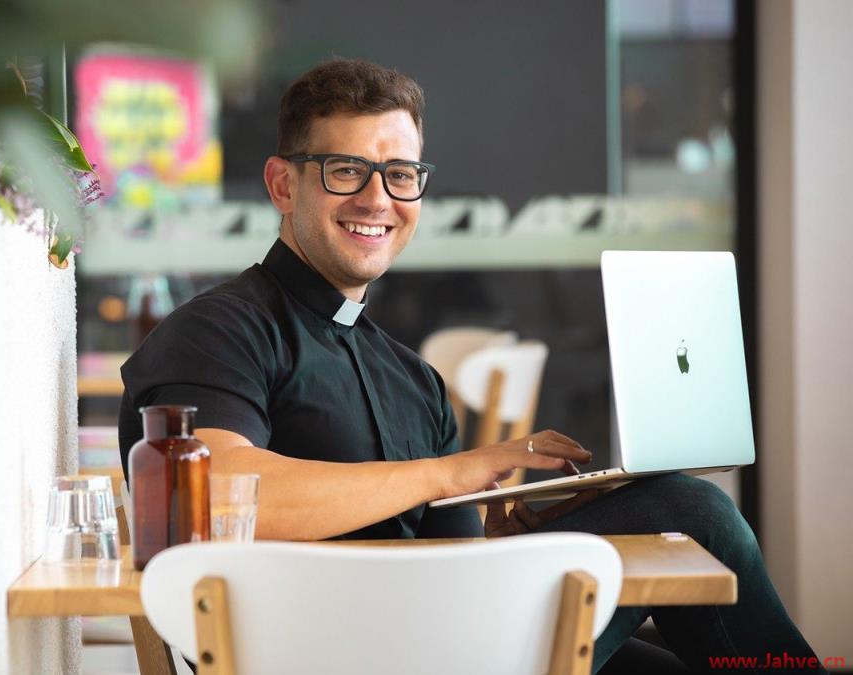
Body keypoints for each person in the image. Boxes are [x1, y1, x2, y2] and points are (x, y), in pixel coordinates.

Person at [118, 59, 819, 672]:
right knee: (693, 509)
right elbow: (212, 496)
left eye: (399, 174)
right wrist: (449, 471)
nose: (376, 199)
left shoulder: (410, 377)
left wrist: (505, 527)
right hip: (331, 653)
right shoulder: (219, 329)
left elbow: (448, 555)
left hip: (439, 633)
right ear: (281, 185)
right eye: (345, 171)